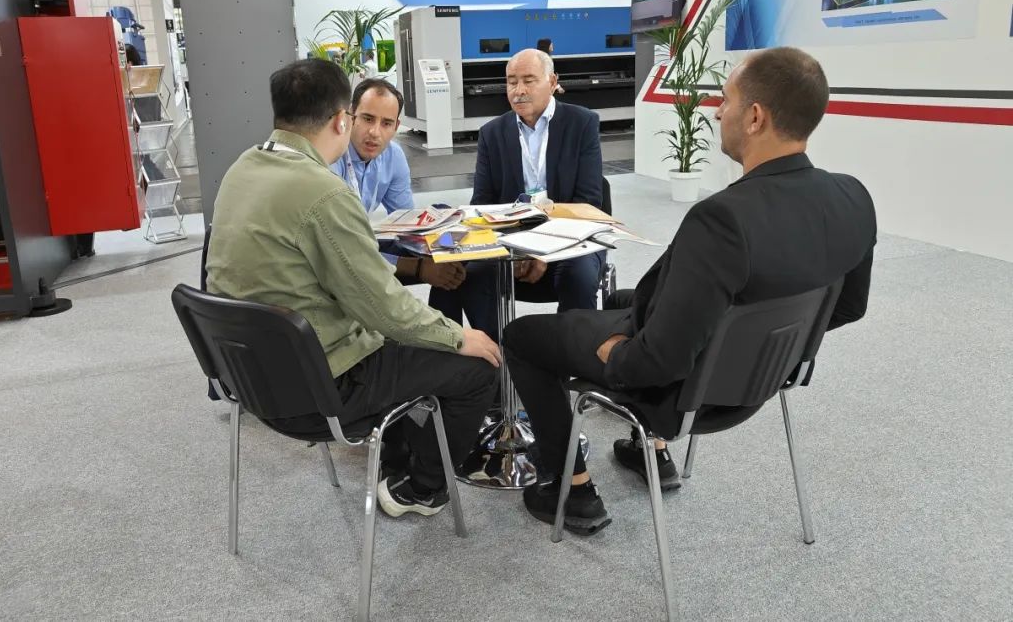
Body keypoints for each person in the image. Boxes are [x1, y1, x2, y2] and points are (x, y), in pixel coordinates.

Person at [502, 47, 877, 536]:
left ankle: (572, 489)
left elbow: (659, 361)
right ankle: (650, 452)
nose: (718, 113)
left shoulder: (722, 219)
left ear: (755, 117)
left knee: (522, 336)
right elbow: (847, 307)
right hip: (765, 376)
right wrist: (760, 346)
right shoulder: (853, 197)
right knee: (618, 300)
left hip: (682, 389)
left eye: (726, 100)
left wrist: (615, 354)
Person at [206, 59, 500, 517]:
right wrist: (459, 336)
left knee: (402, 344)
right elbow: (383, 307)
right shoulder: (323, 192)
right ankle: (422, 487)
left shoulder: (242, 168)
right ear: (342, 120)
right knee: (477, 367)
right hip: (318, 389)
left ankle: (399, 453)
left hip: (247, 378)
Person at [428, 48, 604, 339]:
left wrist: (541, 252)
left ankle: (570, 357)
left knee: (579, 276)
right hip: (510, 243)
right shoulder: (492, 133)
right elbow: (482, 204)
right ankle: (494, 356)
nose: (518, 90)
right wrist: (519, 249)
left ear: (552, 81)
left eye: (528, 80)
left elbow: (588, 203)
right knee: (458, 273)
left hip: (570, 241)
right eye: (511, 82)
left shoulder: (582, 123)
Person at [330, 78, 465, 291]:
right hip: (335, 254)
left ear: (396, 127)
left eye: (386, 123)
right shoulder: (332, 155)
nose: (375, 132)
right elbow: (340, 249)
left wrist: (441, 248)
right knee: (431, 264)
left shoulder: (393, 155)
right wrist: (418, 268)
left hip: (365, 242)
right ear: (351, 115)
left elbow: (408, 223)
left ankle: (445, 314)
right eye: (368, 119)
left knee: (449, 252)